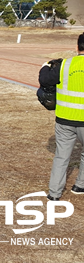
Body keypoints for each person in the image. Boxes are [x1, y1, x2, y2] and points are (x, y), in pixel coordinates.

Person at [40, 33, 84, 201]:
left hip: (65, 120)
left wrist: (45, 66)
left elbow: (44, 80)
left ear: (77, 47)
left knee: (61, 156)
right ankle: (80, 185)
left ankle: (54, 193)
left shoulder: (64, 65)